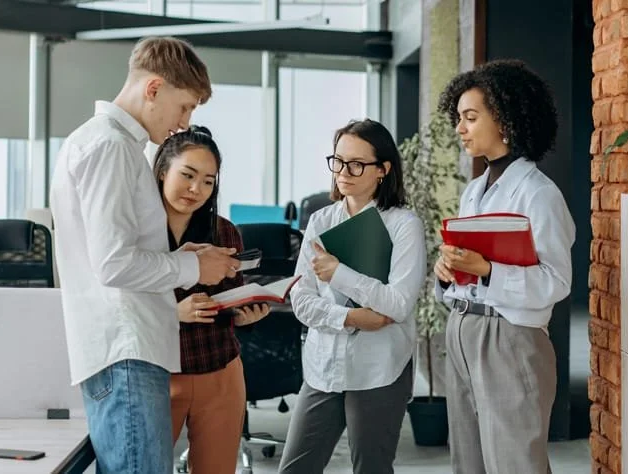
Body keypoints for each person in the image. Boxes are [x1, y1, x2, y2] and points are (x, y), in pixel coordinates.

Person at [48, 37, 242, 474]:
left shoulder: (107, 143)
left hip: (127, 351)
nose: (184, 122)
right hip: (128, 354)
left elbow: (118, 250)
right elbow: (113, 263)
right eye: (185, 106)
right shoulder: (111, 146)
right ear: (153, 88)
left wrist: (180, 254)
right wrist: (194, 266)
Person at [433, 59, 576, 473]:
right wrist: (448, 273)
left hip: (509, 339)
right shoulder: (474, 191)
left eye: (471, 117)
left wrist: (488, 270)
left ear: (506, 120)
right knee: (468, 462)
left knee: (514, 463)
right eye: (458, 118)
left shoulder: (539, 195)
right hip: (463, 330)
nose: (461, 128)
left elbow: (556, 282)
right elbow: (468, 270)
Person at [278, 119, 427, 474]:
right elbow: (300, 298)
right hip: (323, 366)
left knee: (371, 468)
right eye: (338, 161)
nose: (343, 172)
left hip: (379, 368)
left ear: (383, 170)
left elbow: (399, 304)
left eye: (356, 164)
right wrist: (349, 318)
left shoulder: (404, 225)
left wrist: (338, 274)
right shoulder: (320, 221)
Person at [151, 125, 271, 473]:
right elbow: (118, 303)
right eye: (187, 175)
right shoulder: (138, 233)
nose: (196, 189)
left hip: (220, 371)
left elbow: (230, 299)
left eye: (208, 181)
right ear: (162, 171)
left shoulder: (223, 230)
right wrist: (173, 312)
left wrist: (245, 315)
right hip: (159, 375)